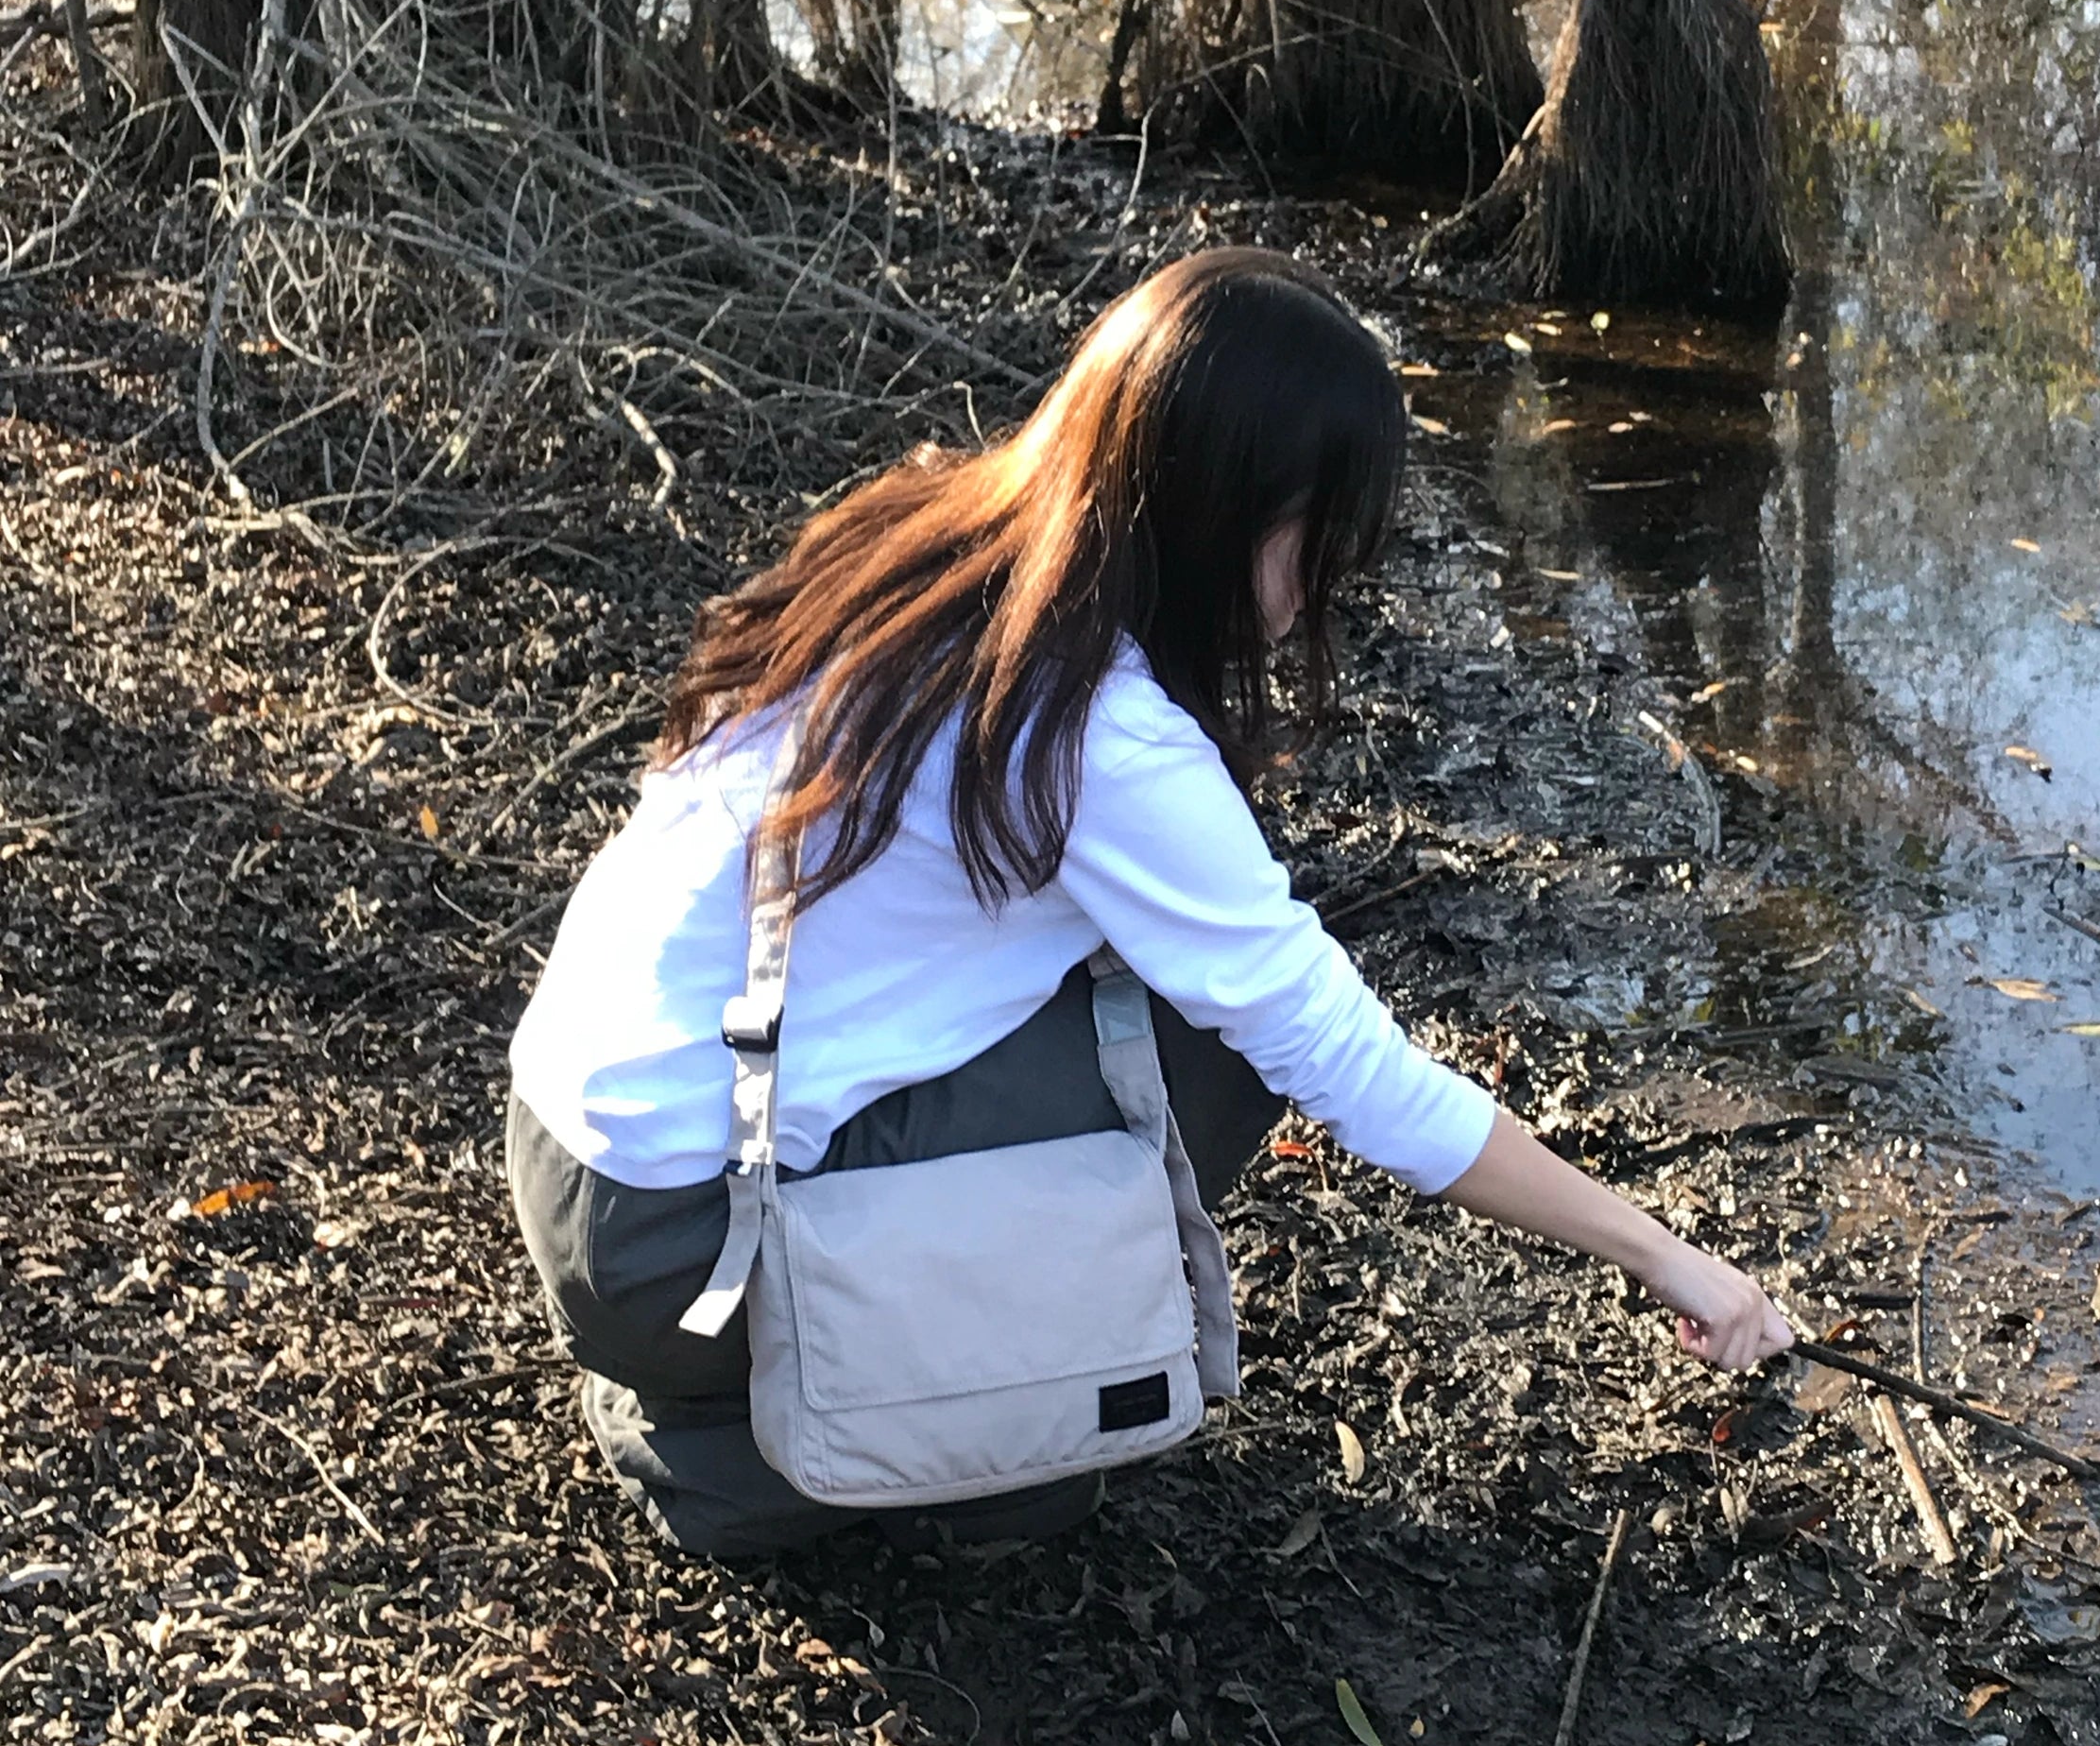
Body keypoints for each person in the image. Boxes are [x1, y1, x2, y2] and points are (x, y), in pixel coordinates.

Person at [507, 248, 1790, 1556]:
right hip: (674, 1240)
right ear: (1226, 515)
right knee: (1210, 1068)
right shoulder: (1096, 734)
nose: (1323, 594)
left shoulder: (935, 546)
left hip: (575, 1145)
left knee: (1157, 1005)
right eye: (1319, 544)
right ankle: (743, 1458)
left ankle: (741, 1385)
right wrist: (1663, 1255)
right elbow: (1349, 1063)